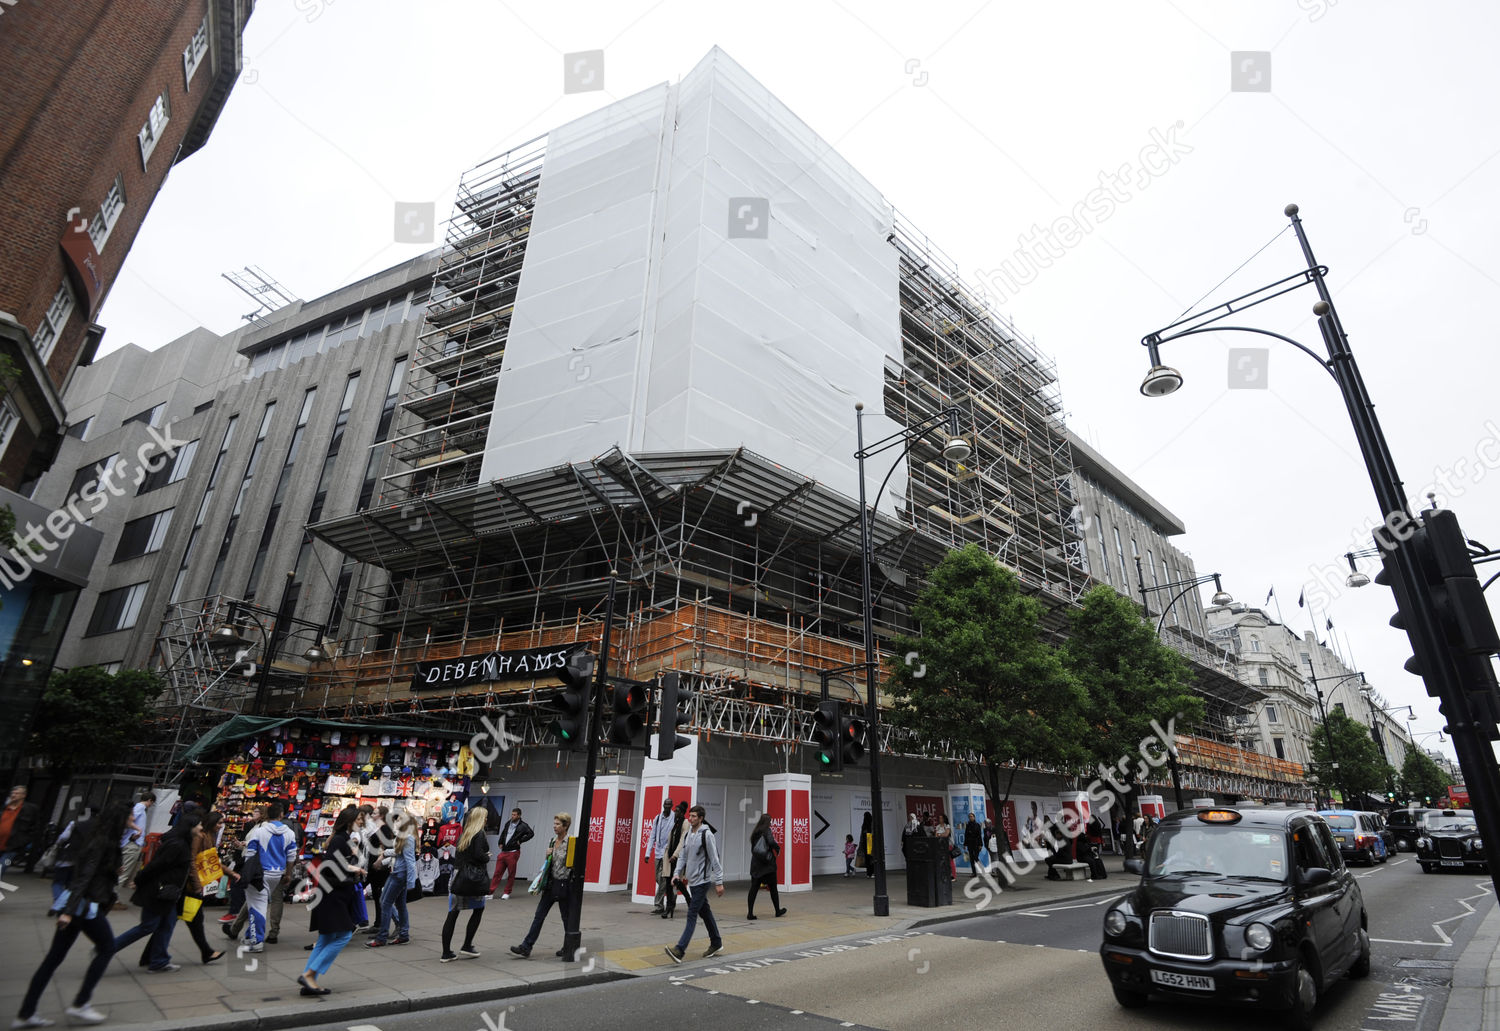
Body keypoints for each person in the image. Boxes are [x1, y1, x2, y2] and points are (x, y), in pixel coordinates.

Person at [14, 802, 129, 1028]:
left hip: (79, 905)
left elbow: (89, 873)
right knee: (107, 947)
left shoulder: (101, 838)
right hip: (83, 907)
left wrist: (112, 871)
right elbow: (84, 878)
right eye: (130, 819)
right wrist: (68, 911)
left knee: (53, 959)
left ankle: (26, 1013)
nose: (133, 823)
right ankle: (80, 1004)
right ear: (119, 820)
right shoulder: (103, 842)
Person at [112, 810, 196, 972]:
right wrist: (139, 880)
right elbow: (155, 866)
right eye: (198, 825)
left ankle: (159, 960)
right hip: (158, 891)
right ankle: (110, 947)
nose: (201, 828)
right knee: (148, 926)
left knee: (168, 923)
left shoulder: (182, 843)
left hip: (168, 893)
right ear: (190, 827)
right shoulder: (177, 845)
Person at [299, 806, 363, 995]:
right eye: (359, 819)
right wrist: (352, 877)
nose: (361, 822)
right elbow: (328, 871)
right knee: (344, 935)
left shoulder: (342, 839)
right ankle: (310, 974)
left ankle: (309, 980)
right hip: (333, 896)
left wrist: (354, 870)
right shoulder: (339, 840)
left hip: (332, 895)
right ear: (350, 820)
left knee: (325, 939)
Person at [663, 805, 725, 963]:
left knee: (692, 914)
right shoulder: (688, 834)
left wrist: (719, 881)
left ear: (701, 818)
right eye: (690, 816)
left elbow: (714, 859)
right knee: (705, 912)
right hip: (692, 881)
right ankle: (716, 942)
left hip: (702, 881)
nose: (690, 819)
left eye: (694, 816)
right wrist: (676, 873)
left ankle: (680, 950)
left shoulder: (707, 835)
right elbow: (682, 856)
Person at [509, 812, 574, 957]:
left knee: (566, 918)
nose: (554, 827)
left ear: (565, 826)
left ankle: (569, 946)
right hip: (550, 884)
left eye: (558, 824)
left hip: (564, 884)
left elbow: (573, 865)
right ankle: (526, 947)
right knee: (539, 915)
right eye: (554, 824)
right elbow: (549, 862)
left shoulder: (571, 842)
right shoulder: (552, 840)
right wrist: (547, 854)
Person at [242, 800, 297, 951]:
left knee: (257, 906)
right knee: (258, 904)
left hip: (259, 874)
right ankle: (249, 936)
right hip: (277, 873)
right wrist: (288, 873)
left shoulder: (259, 831)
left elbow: (250, 853)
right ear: (281, 815)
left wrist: (247, 871)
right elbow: (292, 855)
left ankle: (256, 941)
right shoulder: (289, 833)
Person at [439, 807, 491, 961]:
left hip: (458, 877)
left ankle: (446, 952)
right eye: (485, 817)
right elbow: (478, 855)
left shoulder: (465, 834)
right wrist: (487, 857)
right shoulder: (479, 834)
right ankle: (467, 945)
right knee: (479, 909)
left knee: (453, 913)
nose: (487, 820)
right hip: (473, 878)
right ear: (480, 819)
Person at [179, 812, 227, 965]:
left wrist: (230, 873)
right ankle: (207, 952)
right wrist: (197, 884)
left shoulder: (208, 837)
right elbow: (193, 860)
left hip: (194, 885)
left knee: (189, 920)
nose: (221, 826)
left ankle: (207, 952)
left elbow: (210, 860)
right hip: (191, 887)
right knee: (194, 919)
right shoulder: (201, 837)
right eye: (219, 823)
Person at [367, 814, 417, 947]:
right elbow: (398, 854)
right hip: (397, 873)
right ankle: (403, 934)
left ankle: (382, 937)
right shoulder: (402, 837)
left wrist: (412, 882)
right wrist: (383, 859)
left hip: (399, 875)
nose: (395, 822)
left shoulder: (407, 838)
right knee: (399, 905)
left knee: (385, 902)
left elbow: (410, 861)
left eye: (399, 820)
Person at [746, 814, 785, 919]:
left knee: (753, 889)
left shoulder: (755, 832)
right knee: (773, 889)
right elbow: (771, 842)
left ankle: (750, 913)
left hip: (756, 864)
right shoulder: (767, 830)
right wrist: (777, 848)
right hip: (767, 865)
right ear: (768, 822)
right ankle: (777, 911)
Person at [489, 807, 534, 900]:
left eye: (514, 815)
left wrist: (520, 841)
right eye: (512, 814)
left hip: (513, 852)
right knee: (497, 872)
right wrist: (500, 842)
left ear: (519, 815)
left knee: (511, 873)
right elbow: (503, 833)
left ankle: (507, 892)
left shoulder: (523, 825)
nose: (512, 816)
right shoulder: (507, 823)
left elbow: (531, 834)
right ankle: (490, 892)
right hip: (504, 851)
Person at [116, 791, 154, 896]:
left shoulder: (138, 808)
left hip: (131, 842)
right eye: (152, 803)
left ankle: (114, 897)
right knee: (124, 872)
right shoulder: (140, 808)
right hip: (133, 843)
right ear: (150, 800)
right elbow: (128, 820)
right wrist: (138, 830)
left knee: (124, 871)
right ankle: (113, 898)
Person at [0, 785, 41, 879]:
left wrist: (23, 842)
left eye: (16, 793)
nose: (13, 795)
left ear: (23, 795)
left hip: (12, 847)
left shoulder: (30, 810)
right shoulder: (5, 808)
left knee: (3, 866)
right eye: (12, 793)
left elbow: (35, 828)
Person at [644, 798, 675, 913]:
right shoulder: (657, 818)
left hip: (668, 853)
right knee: (658, 878)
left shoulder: (674, 817)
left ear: (672, 805)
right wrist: (648, 853)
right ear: (663, 805)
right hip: (657, 852)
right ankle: (672, 896)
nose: (667, 806)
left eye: (669, 804)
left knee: (662, 879)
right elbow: (652, 836)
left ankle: (659, 905)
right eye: (665, 804)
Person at [662, 801, 688, 919]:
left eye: (677, 811)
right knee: (668, 882)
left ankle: (689, 902)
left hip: (677, 858)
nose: (675, 812)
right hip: (669, 856)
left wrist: (675, 855)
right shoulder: (676, 823)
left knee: (678, 883)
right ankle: (669, 906)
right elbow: (671, 838)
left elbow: (683, 840)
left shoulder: (685, 823)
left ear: (682, 812)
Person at [933, 812, 954, 880]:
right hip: (940, 845)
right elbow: (936, 835)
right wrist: (941, 834)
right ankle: (944, 874)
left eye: (941, 818)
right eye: (939, 818)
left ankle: (953, 875)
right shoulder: (937, 826)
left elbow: (946, 834)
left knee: (949, 860)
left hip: (947, 844)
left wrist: (940, 834)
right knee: (941, 860)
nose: (940, 819)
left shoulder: (947, 825)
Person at [859, 812, 874, 878]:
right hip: (868, 840)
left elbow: (862, 834)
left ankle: (870, 873)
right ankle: (870, 873)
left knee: (869, 858)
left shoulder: (867, 824)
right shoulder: (869, 823)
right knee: (869, 858)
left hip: (868, 840)